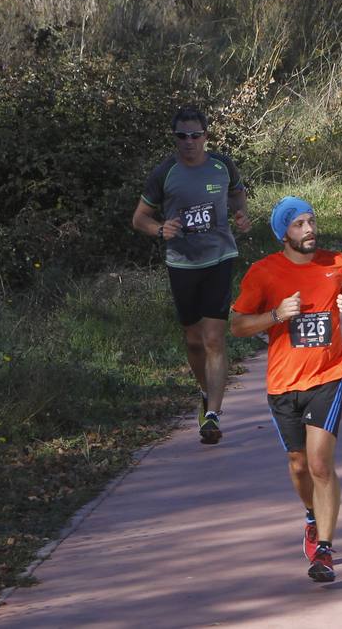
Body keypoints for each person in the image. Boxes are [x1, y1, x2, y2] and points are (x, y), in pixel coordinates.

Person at [229, 196, 342, 582]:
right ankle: (311, 515)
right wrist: (275, 316)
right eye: (299, 225)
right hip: (283, 382)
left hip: (329, 374)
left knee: (321, 464)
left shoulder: (335, 262)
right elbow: (238, 325)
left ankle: (324, 549)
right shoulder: (263, 273)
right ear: (283, 234)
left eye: (311, 221)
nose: (309, 230)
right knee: (299, 465)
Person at [132, 105, 252, 446]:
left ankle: (212, 414)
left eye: (195, 135)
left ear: (206, 136)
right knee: (193, 340)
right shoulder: (164, 173)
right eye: (182, 136)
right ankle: (204, 391)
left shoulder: (222, 165)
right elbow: (139, 218)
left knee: (214, 337)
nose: (189, 142)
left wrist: (241, 216)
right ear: (175, 139)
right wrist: (159, 229)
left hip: (219, 258)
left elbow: (238, 197)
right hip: (182, 263)